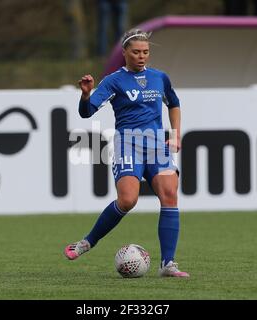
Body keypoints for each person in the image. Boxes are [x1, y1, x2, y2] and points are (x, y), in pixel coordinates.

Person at [63, 29, 189, 278]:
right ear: (124, 53)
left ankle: (168, 264)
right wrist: (85, 95)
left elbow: (173, 103)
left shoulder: (159, 78)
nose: (141, 56)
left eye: (145, 52)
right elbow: (87, 112)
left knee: (170, 195)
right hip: (128, 144)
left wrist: (175, 133)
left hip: (155, 145)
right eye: (136, 52)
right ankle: (88, 241)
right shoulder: (113, 81)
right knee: (128, 200)